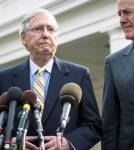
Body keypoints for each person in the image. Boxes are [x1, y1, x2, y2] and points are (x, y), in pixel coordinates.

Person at [0, 9, 103, 150]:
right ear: (23, 38)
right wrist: (7, 142)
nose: (46, 34)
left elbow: (93, 125)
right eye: (38, 29)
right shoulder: (3, 78)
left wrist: (69, 142)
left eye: (51, 29)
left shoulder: (79, 74)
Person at [101, 0, 134, 149]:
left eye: (128, 12)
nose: (121, 20)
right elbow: (109, 124)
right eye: (119, 14)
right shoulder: (113, 62)